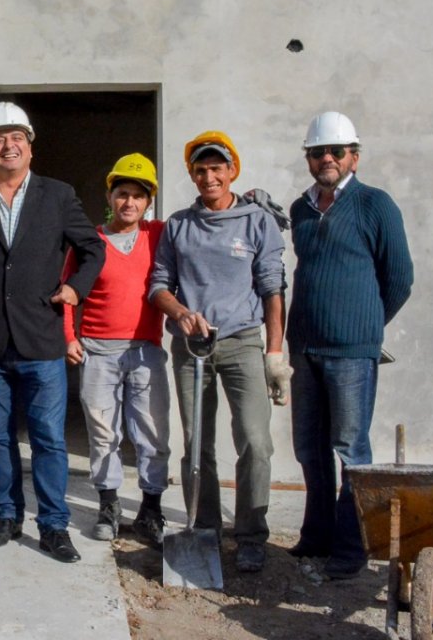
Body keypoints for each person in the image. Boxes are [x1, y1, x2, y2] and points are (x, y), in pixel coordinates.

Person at [0, 102, 105, 564]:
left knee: (48, 438)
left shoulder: (58, 196)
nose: (8, 146)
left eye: (16, 138)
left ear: (30, 147)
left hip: (42, 340)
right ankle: (7, 517)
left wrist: (75, 288)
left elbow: (93, 249)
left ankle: (53, 526)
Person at [148, 130, 290, 574]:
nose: (209, 177)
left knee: (255, 441)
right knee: (197, 443)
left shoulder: (257, 222)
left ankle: (250, 535)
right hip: (192, 347)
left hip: (243, 342)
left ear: (232, 172)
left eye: (217, 168)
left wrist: (274, 353)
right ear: (192, 175)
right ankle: (204, 528)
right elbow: (158, 285)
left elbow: (272, 288)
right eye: (201, 169)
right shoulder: (179, 225)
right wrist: (180, 312)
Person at [287, 111, 413, 579]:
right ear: (308, 158)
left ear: (353, 157)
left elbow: (399, 278)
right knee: (309, 447)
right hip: (305, 348)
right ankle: (317, 537)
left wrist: (366, 327)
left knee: (349, 449)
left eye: (336, 151)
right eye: (317, 152)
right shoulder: (300, 209)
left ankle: (351, 548)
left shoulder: (375, 204)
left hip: (351, 352)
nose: (327, 158)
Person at [62, 153, 169, 546]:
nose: (129, 202)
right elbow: (68, 292)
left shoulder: (158, 235)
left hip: (145, 351)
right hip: (98, 351)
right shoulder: (91, 241)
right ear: (109, 197)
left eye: (138, 196)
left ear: (149, 201)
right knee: (103, 431)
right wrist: (69, 337)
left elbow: (198, 222)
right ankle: (108, 505)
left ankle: (151, 510)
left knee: (152, 432)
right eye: (122, 194)